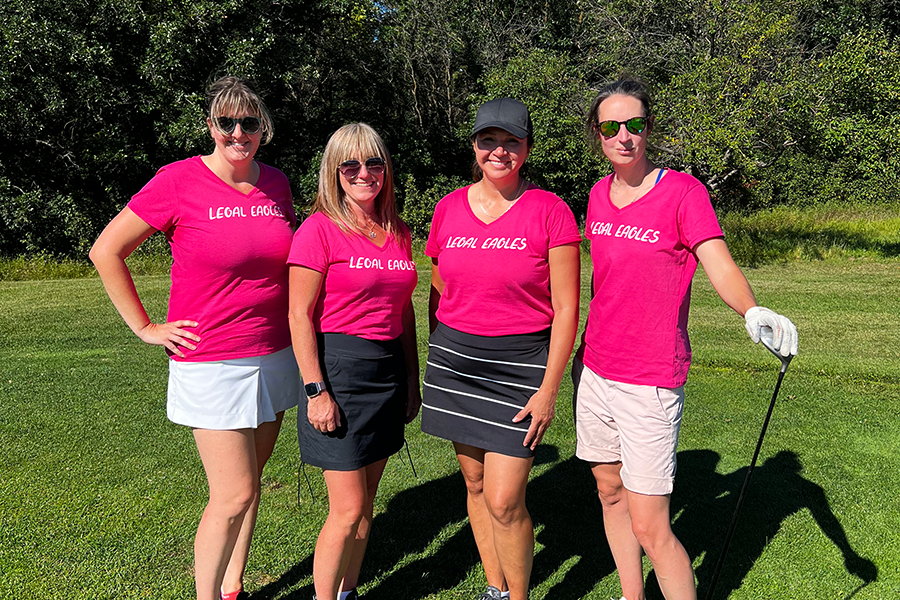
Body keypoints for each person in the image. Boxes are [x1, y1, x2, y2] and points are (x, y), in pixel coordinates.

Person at [574, 77, 799, 600]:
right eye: (611, 126)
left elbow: (716, 260)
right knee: (609, 494)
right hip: (596, 369)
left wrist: (752, 308)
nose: (624, 135)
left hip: (650, 376)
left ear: (648, 129)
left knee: (651, 525)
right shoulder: (596, 196)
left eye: (635, 124)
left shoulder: (682, 191)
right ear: (597, 134)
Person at [89, 76, 300, 600]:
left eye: (248, 122)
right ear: (210, 125)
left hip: (275, 353)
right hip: (209, 360)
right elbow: (106, 250)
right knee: (233, 493)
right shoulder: (177, 181)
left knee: (251, 485)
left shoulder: (276, 183)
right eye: (226, 122)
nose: (237, 132)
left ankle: (233, 586)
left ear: (262, 129)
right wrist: (144, 326)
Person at [420, 98, 582, 600]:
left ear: (526, 148)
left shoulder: (550, 211)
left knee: (506, 498)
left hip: (520, 367)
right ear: (474, 146)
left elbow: (567, 311)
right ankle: (495, 585)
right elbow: (438, 286)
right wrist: (440, 350)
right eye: (489, 140)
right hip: (455, 363)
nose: (499, 151)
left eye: (511, 142)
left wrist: (549, 389)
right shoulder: (448, 207)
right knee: (473, 485)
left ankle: (518, 596)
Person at [287, 123, 421, 600]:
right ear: (335, 171)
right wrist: (315, 391)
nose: (365, 173)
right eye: (351, 165)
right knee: (345, 510)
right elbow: (298, 315)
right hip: (339, 373)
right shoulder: (318, 230)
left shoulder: (399, 231)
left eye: (374, 163)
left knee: (365, 508)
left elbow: (402, 310)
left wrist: (411, 378)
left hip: (386, 371)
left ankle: (347, 592)